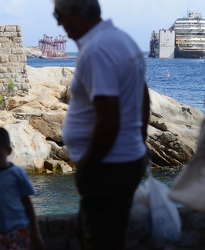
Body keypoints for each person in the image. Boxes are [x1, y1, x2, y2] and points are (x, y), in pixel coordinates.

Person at [54, 0, 150, 249]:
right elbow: (143, 96)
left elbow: (108, 122)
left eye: (58, 15)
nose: (57, 23)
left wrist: (86, 169)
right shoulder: (123, 40)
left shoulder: (96, 50)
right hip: (123, 162)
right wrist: (138, 140)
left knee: (100, 241)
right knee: (95, 233)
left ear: (74, 13)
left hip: (108, 168)